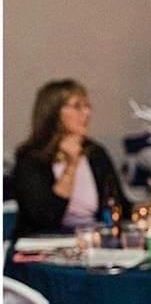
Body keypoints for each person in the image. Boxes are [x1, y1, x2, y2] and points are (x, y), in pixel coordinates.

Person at [11, 80, 130, 234]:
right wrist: (71, 165)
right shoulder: (30, 158)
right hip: (44, 244)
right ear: (53, 113)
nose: (87, 113)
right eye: (77, 106)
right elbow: (45, 219)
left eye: (87, 106)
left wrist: (150, 205)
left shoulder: (95, 153)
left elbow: (120, 205)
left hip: (92, 238)